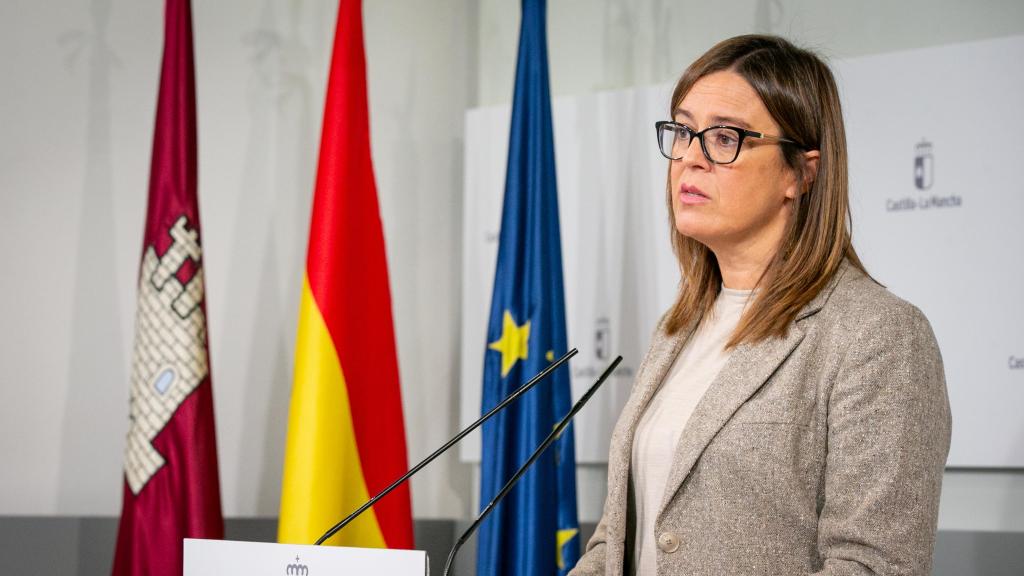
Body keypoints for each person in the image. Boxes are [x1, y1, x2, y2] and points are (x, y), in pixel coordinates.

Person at [569, 35, 951, 576]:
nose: (690, 159)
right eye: (682, 131)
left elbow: (875, 565)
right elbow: (615, 546)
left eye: (724, 137)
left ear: (801, 172)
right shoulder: (676, 331)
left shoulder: (879, 335)